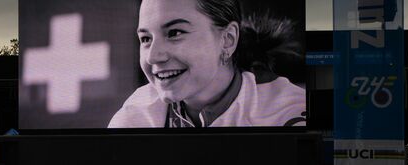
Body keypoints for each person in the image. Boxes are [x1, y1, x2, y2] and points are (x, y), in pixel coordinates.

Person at [108, 0, 305, 128]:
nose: (153, 57)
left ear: (228, 39)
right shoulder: (136, 118)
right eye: (145, 39)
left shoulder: (288, 115)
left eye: (175, 33)